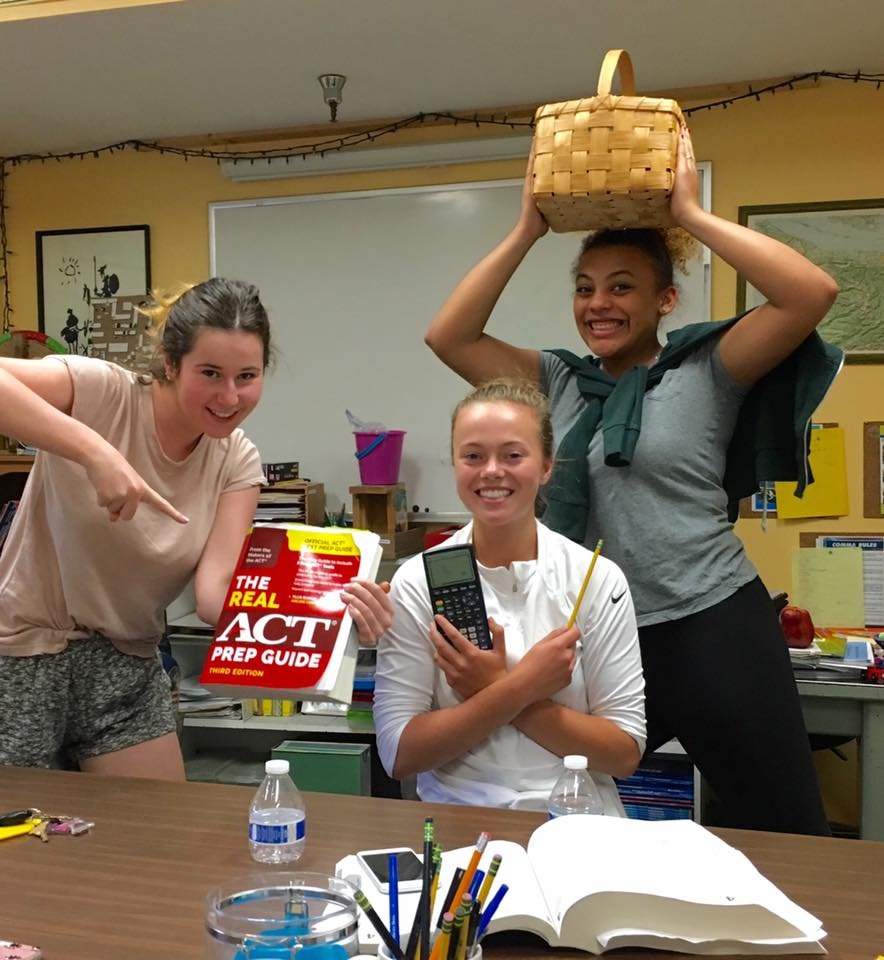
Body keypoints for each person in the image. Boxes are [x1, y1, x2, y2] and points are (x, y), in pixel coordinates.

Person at [423, 129, 840, 835]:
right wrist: (529, 229)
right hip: (599, 630)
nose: (599, 305)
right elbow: (450, 336)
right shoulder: (558, 379)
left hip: (710, 621)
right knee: (569, 806)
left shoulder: (708, 368)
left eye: (622, 288)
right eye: (585, 289)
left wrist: (692, 217)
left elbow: (811, 293)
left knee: (779, 820)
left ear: (666, 300)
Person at [0, 277, 392, 779]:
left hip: (126, 661)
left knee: (159, 838)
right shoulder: (105, 391)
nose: (229, 396)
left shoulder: (237, 459)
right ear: (170, 362)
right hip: (25, 652)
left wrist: (330, 615)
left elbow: (215, 597)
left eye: (247, 376)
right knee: (25, 838)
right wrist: (95, 452)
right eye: (210, 373)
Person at [373, 379, 646, 812]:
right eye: (473, 456)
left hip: (576, 823)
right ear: (455, 463)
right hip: (459, 823)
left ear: (547, 466)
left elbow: (623, 753)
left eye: (513, 455)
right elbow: (400, 754)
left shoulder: (598, 579)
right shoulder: (416, 581)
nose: (492, 471)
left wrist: (496, 687)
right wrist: (520, 686)